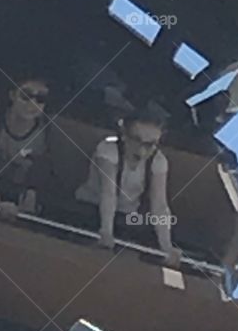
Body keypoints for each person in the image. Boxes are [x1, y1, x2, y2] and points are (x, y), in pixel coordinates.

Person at [75, 109, 178, 264]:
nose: (142, 150)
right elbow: (108, 193)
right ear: (124, 134)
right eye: (136, 140)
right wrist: (106, 232)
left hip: (126, 218)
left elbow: (160, 206)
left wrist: (167, 247)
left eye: (150, 144)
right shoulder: (108, 149)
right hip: (87, 209)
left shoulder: (158, 161)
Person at [0, 75, 52, 219]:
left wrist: (25, 207)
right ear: (12, 95)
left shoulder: (44, 133)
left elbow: (36, 175)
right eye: (26, 96)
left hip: (13, 190)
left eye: (41, 99)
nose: (32, 103)